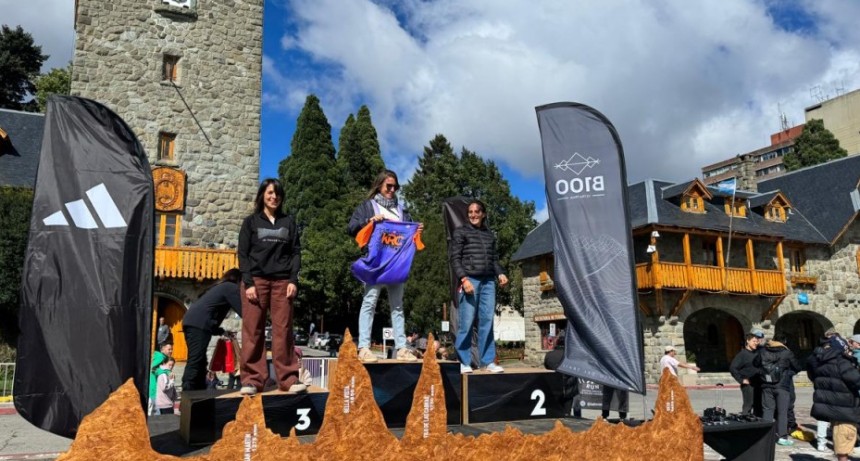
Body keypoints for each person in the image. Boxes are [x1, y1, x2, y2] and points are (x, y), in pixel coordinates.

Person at [237, 178, 304, 396]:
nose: (274, 197)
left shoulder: (289, 222)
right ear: (262, 196)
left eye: (277, 194)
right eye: (270, 193)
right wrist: (248, 283)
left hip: (282, 282)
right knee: (252, 331)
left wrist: (293, 280)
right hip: (256, 281)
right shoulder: (251, 222)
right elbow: (243, 254)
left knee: (283, 331)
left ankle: (287, 379)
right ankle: (252, 380)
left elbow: (296, 252)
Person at [347, 170, 422, 363]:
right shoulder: (368, 206)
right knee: (369, 302)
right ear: (379, 185)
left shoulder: (402, 210)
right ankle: (364, 347)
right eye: (388, 185)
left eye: (394, 186)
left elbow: (408, 237)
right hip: (376, 263)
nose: (391, 189)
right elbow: (352, 227)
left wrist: (416, 230)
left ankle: (402, 348)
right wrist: (370, 221)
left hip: (397, 265)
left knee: (397, 306)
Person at [450, 199, 508, 374]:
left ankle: (488, 361)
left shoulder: (489, 234)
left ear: (483, 214)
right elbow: (455, 258)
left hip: (488, 282)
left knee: (487, 321)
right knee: (466, 323)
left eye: (477, 212)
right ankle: (463, 361)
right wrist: (464, 279)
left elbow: (494, 259)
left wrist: (500, 273)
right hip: (470, 281)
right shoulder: (461, 232)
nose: (473, 215)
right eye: (470, 212)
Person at [181, 268, 243, 391]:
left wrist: (221, 331)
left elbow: (211, 313)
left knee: (201, 360)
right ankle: (188, 390)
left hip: (193, 322)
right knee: (196, 359)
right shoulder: (230, 288)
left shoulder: (221, 287)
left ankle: (198, 389)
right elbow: (244, 311)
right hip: (199, 324)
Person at [807, 335, 860, 461]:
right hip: (845, 407)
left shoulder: (820, 362)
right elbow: (856, 380)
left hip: (832, 407)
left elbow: (815, 379)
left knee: (840, 439)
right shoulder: (841, 362)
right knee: (845, 440)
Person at [755, 335, 801, 446]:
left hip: (766, 384)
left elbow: (755, 364)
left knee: (767, 410)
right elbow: (797, 367)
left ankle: (765, 436)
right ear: (784, 342)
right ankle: (782, 437)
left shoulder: (763, 351)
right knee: (782, 412)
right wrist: (788, 374)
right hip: (782, 386)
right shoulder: (786, 352)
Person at [543, 331, 581, 418]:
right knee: (569, 413)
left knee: (554, 414)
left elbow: (546, 368)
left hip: (554, 388)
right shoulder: (571, 355)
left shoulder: (549, 355)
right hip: (569, 389)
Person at [729, 333, 761, 415]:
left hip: (759, 382)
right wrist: (741, 380)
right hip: (748, 384)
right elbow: (733, 368)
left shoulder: (758, 353)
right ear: (748, 341)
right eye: (754, 341)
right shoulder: (742, 354)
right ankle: (746, 420)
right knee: (748, 405)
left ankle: (758, 424)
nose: (756, 343)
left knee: (758, 405)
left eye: (757, 341)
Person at [149, 342, 173, 415]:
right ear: (163, 349)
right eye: (169, 349)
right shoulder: (161, 357)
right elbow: (152, 368)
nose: (171, 351)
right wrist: (166, 371)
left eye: (171, 349)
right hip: (154, 389)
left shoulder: (159, 356)